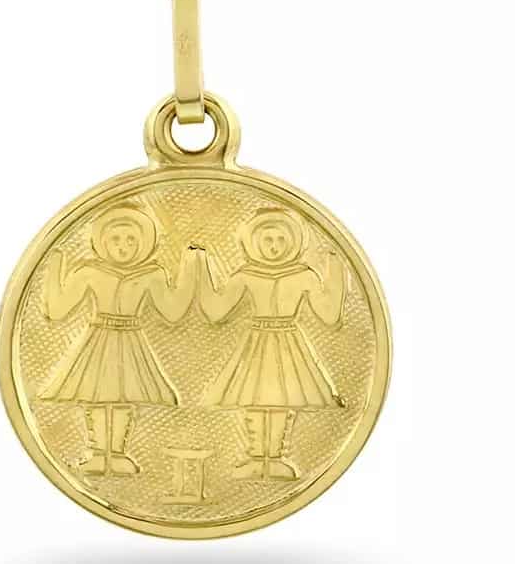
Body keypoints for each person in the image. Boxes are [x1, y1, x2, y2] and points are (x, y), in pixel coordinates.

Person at [38, 204, 193, 475]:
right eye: (116, 239)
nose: (123, 247)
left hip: (131, 341)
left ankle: (118, 453)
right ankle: (99, 452)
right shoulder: (90, 272)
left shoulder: (151, 274)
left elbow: (173, 311)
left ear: (144, 243)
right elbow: (56, 309)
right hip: (99, 340)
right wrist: (53, 268)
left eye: (131, 239)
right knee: (97, 397)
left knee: (123, 398)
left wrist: (190, 270)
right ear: (102, 241)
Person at [195, 208, 348, 480]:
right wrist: (201, 267)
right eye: (267, 240)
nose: (274, 247)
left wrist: (336, 270)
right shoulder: (247, 275)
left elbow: (329, 314)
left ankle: (275, 458)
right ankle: (257, 456)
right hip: (257, 342)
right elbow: (216, 310)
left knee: (282, 402)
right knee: (254, 400)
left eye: (280, 240)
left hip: (289, 343)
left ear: (293, 242)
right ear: (254, 242)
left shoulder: (303, 275)